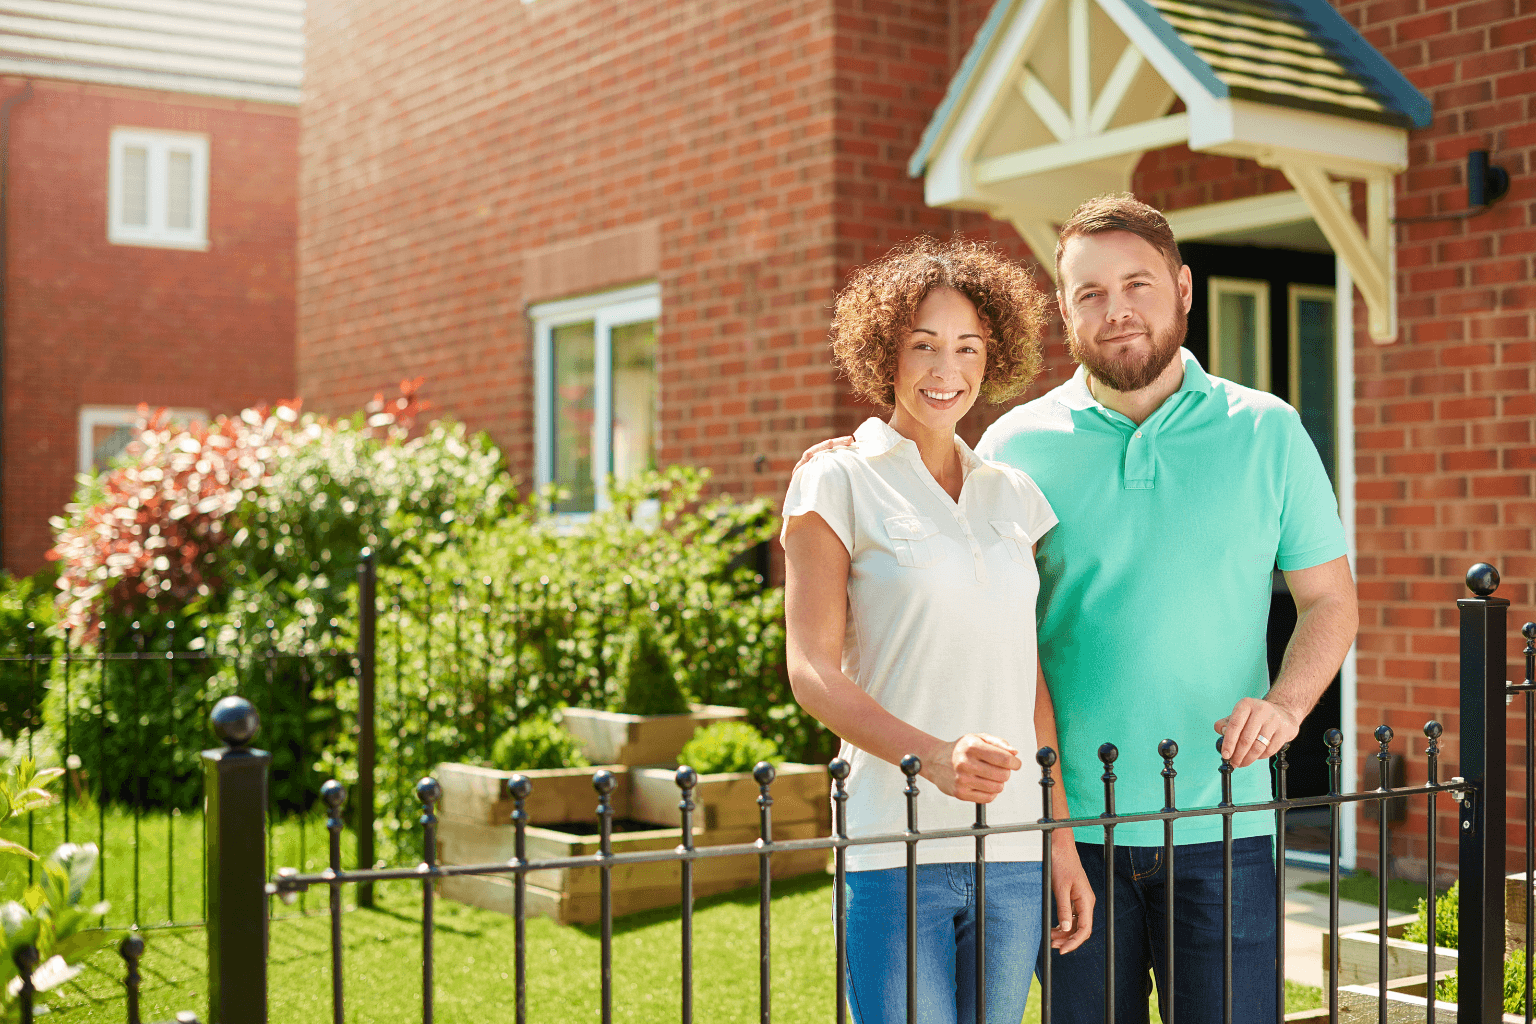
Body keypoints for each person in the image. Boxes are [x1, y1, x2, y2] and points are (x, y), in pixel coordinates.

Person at [797, 195, 1359, 1024]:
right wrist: (850, 456)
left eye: (1137, 284)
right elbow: (950, 550)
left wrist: (1285, 706)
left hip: (1224, 821)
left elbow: (1330, 603)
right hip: (1065, 836)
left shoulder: (1268, 430)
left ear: (1185, 287)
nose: (1116, 309)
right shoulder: (1013, 450)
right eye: (1089, 292)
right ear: (1063, 308)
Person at [781, 236, 1094, 1024]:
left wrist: (1058, 836)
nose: (944, 369)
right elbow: (811, 670)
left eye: (967, 347)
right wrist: (934, 760)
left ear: (995, 356)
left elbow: (1027, 674)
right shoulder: (837, 477)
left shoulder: (1013, 493)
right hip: (896, 843)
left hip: (1015, 847)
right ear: (885, 354)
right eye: (923, 346)